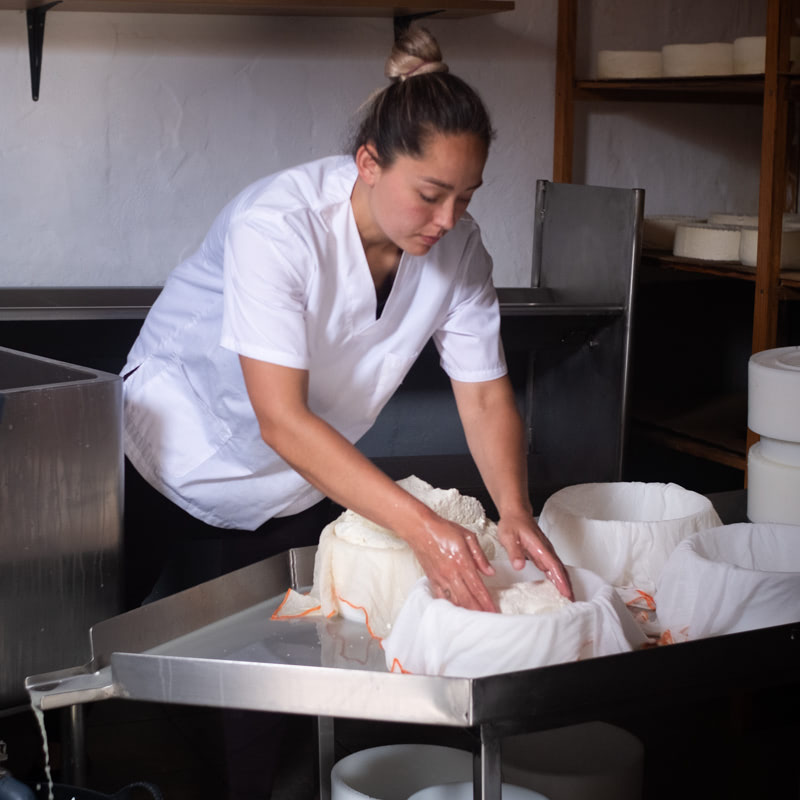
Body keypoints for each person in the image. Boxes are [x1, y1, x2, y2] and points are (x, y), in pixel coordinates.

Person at [122, 26, 572, 615]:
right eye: (431, 194)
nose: (447, 218)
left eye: (465, 196)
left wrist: (514, 509)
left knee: (266, 669)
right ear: (368, 163)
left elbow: (486, 398)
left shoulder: (460, 250)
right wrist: (422, 527)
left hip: (298, 480)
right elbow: (280, 418)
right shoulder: (279, 225)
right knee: (95, 649)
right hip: (172, 452)